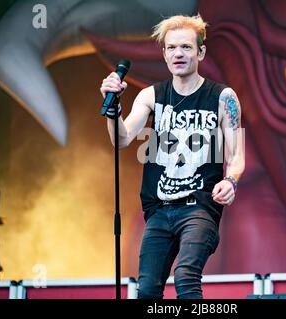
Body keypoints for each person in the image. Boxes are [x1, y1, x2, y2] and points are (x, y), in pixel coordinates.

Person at [99, 14, 245, 299]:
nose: (178, 53)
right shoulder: (151, 96)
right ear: (164, 53)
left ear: (201, 52)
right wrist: (113, 110)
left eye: (187, 47)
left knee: (186, 277)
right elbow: (122, 139)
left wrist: (231, 181)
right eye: (171, 48)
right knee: (148, 290)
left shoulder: (222, 97)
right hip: (159, 210)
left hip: (199, 207)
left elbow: (237, 156)